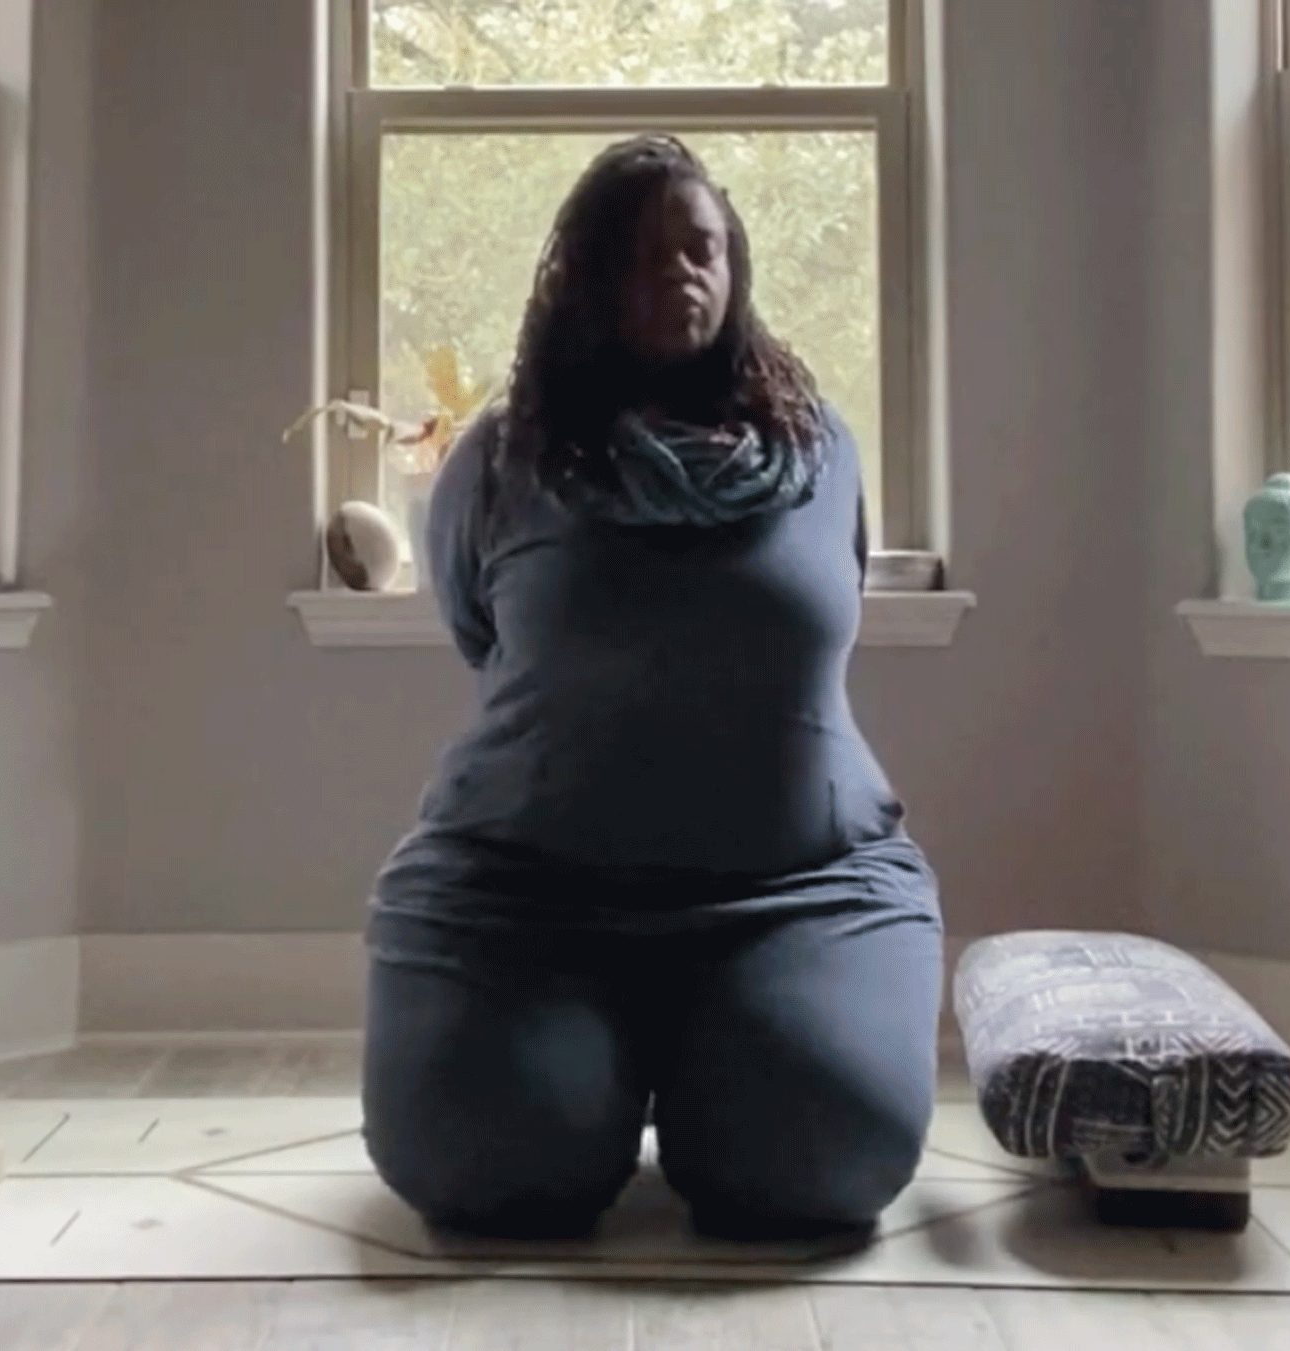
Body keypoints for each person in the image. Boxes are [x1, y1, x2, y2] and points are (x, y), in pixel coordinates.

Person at [360, 134, 943, 1245]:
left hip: (803, 888)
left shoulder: (824, 455)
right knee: (487, 1171)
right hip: (522, 896)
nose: (681, 272)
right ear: (584, 283)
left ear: (736, 267)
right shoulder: (500, 457)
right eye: (642, 256)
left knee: (818, 1163)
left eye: (702, 248)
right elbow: (485, 633)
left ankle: (718, 1047)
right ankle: (595, 1061)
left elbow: (821, 621)